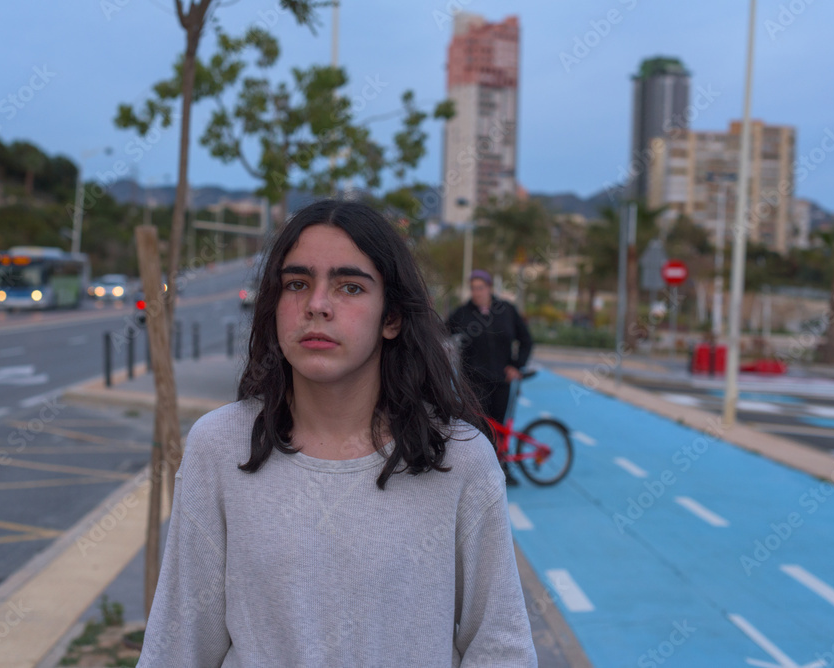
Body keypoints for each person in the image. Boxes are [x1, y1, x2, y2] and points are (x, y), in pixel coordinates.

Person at [137, 200, 537, 667]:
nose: (317, 305)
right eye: (297, 284)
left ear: (392, 318)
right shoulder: (219, 446)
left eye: (350, 286)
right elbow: (179, 646)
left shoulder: (460, 460)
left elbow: (500, 650)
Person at [446, 269, 533, 486]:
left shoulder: (506, 311)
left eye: (481, 287)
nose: (476, 292)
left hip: (502, 380)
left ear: (490, 288)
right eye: (473, 288)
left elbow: (526, 340)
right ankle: (479, 472)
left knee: (500, 425)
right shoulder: (463, 313)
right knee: (477, 427)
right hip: (474, 381)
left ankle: (502, 467)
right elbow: (440, 333)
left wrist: (516, 365)